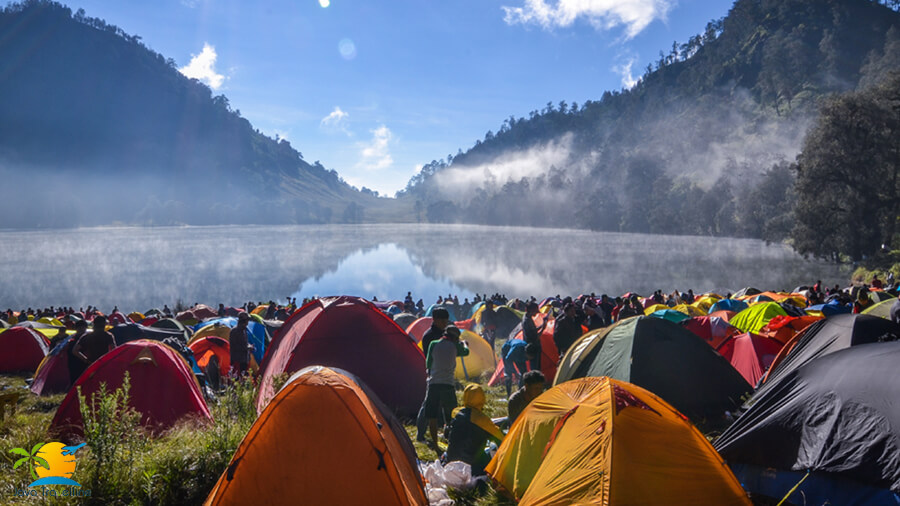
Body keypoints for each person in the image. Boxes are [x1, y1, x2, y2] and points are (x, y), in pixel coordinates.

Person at [421, 325, 469, 447]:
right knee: (451, 415)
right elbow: (466, 352)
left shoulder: (433, 344)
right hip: (448, 384)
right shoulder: (455, 346)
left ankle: (435, 444)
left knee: (432, 416)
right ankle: (451, 442)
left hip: (434, 384)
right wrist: (464, 344)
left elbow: (428, 363)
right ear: (455, 338)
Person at [445, 383, 503, 476]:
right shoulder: (482, 420)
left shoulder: (456, 413)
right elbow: (501, 439)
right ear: (482, 399)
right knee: (491, 450)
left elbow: (447, 434)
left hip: (450, 461)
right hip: (472, 468)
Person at [415, 308, 452, 441]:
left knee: (443, 404)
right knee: (429, 404)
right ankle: (420, 434)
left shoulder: (443, 333)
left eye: (446, 321)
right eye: (443, 321)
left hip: (444, 373)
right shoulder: (430, 336)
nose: (445, 323)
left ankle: (445, 430)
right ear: (435, 320)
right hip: (435, 374)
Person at [522, 302, 547, 372]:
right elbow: (535, 337)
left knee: (535, 366)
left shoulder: (527, 317)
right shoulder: (527, 321)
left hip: (531, 346)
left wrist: (541, 326)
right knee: (535, 367)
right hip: (533, 347)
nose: (537, 312)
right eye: (536, 310)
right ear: (531, 310)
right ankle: (535, 381)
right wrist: (543, 329)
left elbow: (533, 330)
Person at [229, 312, 254, 377]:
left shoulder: (243, 330)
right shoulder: (237, 331)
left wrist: (248, 346)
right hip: (238, 360)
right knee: (239, 378)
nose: (248, 322)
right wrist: (249, 347)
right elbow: (239, 346)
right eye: (247, 320)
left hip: (243, 359)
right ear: (244, 321)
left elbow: (243, 343)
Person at [66, 319, 90, 384]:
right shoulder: (85, 338)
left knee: (74, 379)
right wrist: (86, 360)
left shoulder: (71, 339)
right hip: (82, 362)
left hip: (73, 362)